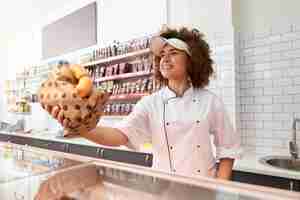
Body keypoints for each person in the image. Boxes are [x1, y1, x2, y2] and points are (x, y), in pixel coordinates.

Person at [47, 26, 242, 180]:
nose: (165, 59)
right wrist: (81, 129)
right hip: (165, 189)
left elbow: (227, 148)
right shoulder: (151, 103)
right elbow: (119, 135)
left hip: (203, 189)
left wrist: (220, 186)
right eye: (162, 55)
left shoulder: (210, 101)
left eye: (173, 53)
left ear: (191, 60)